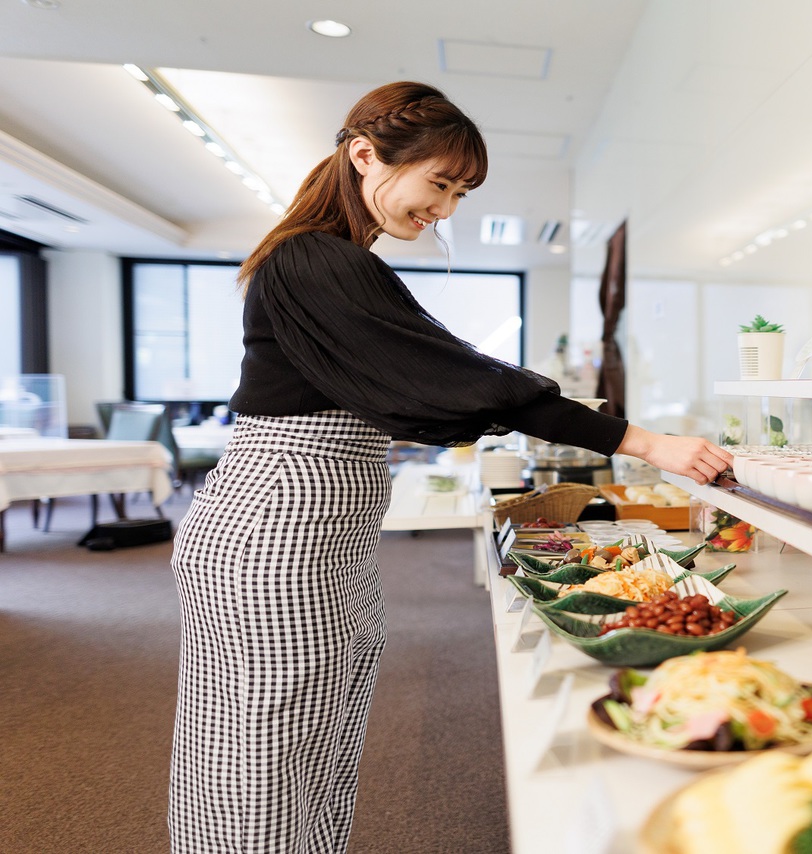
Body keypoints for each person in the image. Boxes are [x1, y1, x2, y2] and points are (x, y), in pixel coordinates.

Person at [168, 81, 731, 853]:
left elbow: (451, 382)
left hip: (319, 533)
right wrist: (648, 443)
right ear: (365, 155)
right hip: (273, 533)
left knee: (319, 743)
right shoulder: (312, 261)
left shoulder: (339, 262)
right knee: (259, 752)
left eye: (461, 192)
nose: (446, 209)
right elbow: (463, 378)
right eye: (440, 183)